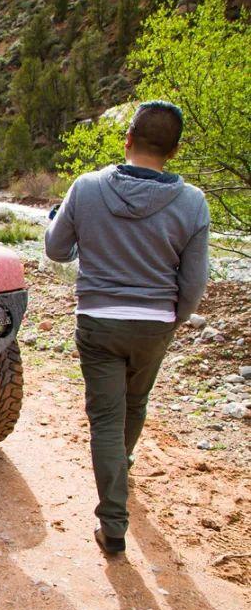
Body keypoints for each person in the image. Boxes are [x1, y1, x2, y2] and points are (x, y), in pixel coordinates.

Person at [45, 101, 209, 556]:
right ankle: (120, 468)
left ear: (128, 140)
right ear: (174, 151)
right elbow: (194, 282)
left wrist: (58, 219)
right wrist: (172, 319)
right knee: (134, 403)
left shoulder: (88, 187)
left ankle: (113, 523)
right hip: (155, 325)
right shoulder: (193, 202)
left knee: (106, 418)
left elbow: (57, 251)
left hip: (99, 321)